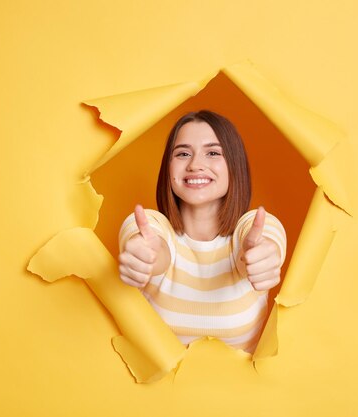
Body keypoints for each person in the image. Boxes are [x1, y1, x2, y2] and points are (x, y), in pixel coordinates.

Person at [118, 110, 286, 353]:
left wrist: (265, 256)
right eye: (183, 153)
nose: (195, 165)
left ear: (234, 165)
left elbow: (267, 237)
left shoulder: (250, 232)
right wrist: (145, 257)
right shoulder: (152, 227)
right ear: (169, 168)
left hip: (241, 390)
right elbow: (150, 245)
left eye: (213, 153)